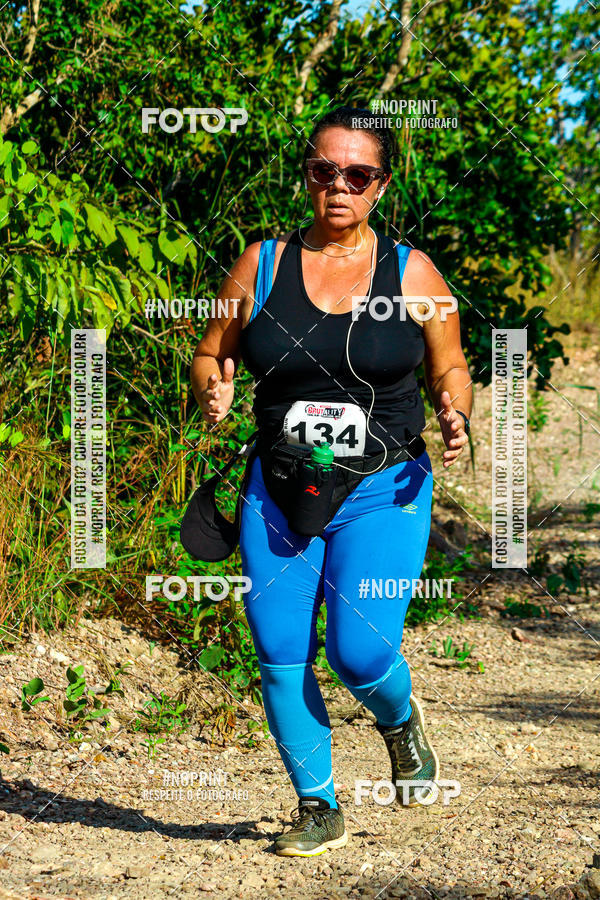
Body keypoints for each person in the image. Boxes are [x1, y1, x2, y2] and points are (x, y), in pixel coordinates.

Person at [191, 106, 472, 857]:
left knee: (359, 654)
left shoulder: (411, 271)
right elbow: (211, 350)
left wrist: (455, 409)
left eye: (357, 174)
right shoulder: (262, 264)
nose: (338, 186)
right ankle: (318, 806)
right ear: (307, 176)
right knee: (280, 650)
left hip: (383, 484)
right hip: (281, 482)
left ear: (381, 185)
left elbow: (449, 362)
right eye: (324, 170)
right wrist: (214, 385)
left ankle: (400, 721)